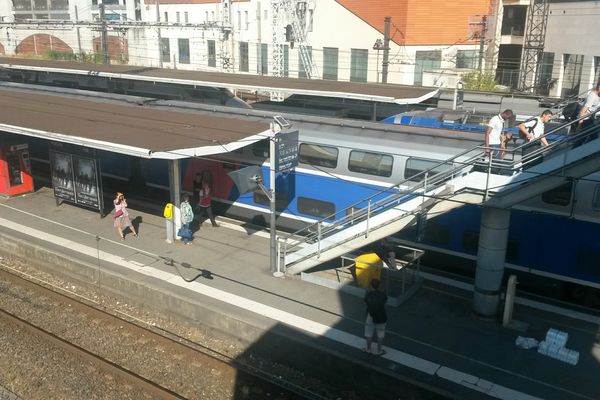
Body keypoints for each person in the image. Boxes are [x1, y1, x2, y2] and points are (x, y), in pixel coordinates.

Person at [363, 278, 388, 356]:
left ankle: (368, 349)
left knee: (368, 333)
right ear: (379, 286)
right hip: (381, 317)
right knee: (380, 334)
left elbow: (365, 302)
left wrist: (367, 291)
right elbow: (385, 301)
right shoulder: (382, 295)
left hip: (371, 315)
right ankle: (379, 350)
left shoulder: (368, 295)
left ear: (371, 286)